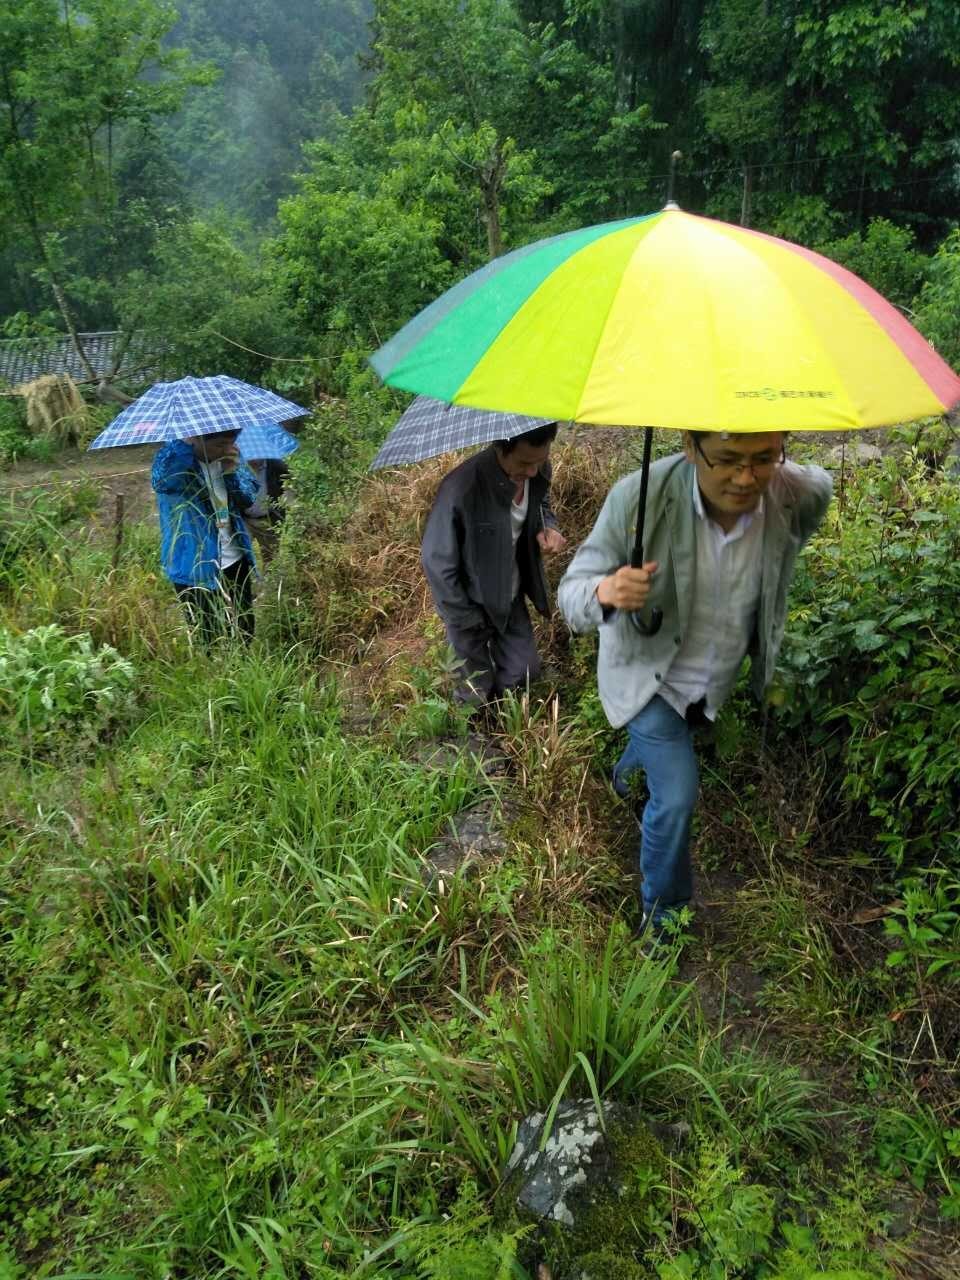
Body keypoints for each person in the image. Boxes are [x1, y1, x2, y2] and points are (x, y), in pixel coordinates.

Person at [558, 431, 832, 939]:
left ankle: (626, 774)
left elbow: (818, 492)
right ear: (690, 445)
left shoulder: (794, 494)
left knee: (668, 759)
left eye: (764, 459)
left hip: (713, 682)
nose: (746, 478)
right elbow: (571, 595)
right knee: (678, 795)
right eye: (727, 459)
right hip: (647, 679)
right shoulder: (640, 497)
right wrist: (607, 590)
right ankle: (664, 918)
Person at [421, 423, 567, 706]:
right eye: (525, 462)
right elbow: (436, 562)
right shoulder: (462, 489)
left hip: (510, 595)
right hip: (468, 602)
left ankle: (501, 720)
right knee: (473, 689)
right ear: (501, 446)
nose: (533, 472)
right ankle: (470, 735)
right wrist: (464, 619)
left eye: (541, 461)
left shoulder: (537, 473)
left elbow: (542, 504)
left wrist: (548, 526)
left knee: (522, 673)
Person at [151, 430, 259, 642]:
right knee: (208, 633)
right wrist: (184, 444)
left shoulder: (230, 458)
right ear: (194, 440)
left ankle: (242, 669)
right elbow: (161, 482)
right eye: (219, 445)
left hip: (234, 557)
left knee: (244, 626)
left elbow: (248, 498)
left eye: (231, 443)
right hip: (194, 562)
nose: (227, 450)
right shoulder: (174, 463)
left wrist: (231, 474)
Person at [243, 457, 289, 565]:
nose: (253, 459)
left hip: (269, 519)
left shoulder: (277, 465)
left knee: (270, 558)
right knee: (240, 553)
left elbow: (291, 481)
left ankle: (267, 581)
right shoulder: (239, 467)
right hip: (245, 519)